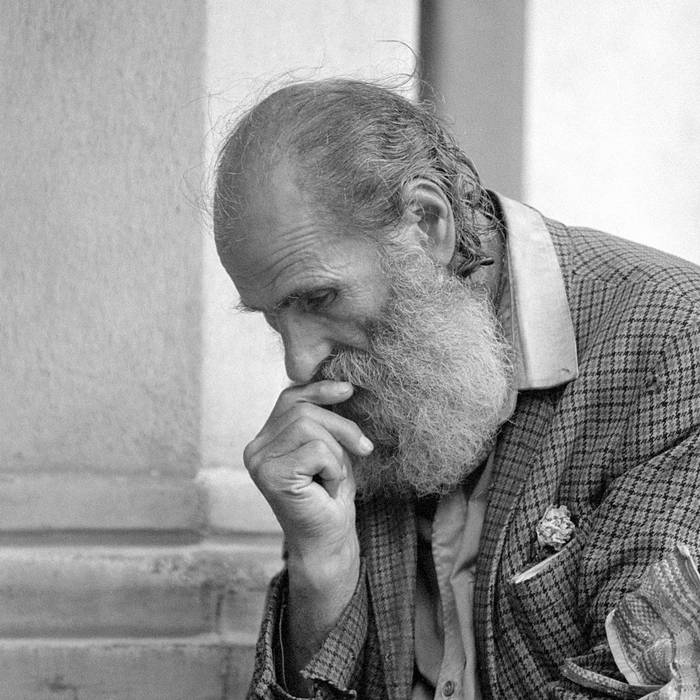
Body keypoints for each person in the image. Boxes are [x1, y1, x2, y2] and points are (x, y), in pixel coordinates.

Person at [213, 79, 700, 699]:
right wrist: (320, 569)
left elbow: (647, 683)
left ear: (426, 224)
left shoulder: (676, 345)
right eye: (272, 317)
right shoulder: (363, 390)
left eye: (319, 298)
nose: (300, 363)